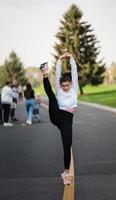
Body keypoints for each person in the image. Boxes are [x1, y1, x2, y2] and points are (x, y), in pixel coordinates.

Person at [41, 52, 78, 185]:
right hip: (57, 115)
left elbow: (74, 72)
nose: (65, 88)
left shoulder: (74, 88)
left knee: (67, 146)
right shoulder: (59, 89)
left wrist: (71, 58)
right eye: (63, 86)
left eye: (67, 85)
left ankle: (65, 173)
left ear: (71, 84)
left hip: (67, 121)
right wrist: (59, 60)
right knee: (52, 96)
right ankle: (45, 73)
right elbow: (57, 75)